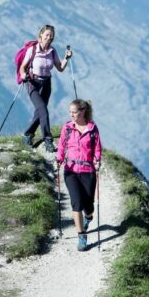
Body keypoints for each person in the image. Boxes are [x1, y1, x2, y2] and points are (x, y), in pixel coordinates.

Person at [56, 98, 102, 252]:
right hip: (71, 170)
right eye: (70, 112)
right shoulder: (67, 128)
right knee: (76, 203)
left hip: (88, 171)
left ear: (82, 112)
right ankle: (81, 236)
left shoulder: (92, 129)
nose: (71, 115)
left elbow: (97, 148)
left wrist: (97, 160)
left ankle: (88, 216)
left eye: (74, 112)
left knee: (88, 205)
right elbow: (61, 146)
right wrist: (59, 160)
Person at [18, 25, 72, 152]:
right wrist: (22, 74)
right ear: (41, 35)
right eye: (47, 34)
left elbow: (60, 68)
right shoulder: (32, 50)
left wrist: (66, 58)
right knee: (43, 110)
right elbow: (23, 66)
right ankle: (48, 140)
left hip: (46, 83)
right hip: (32, 83)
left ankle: (27, 135)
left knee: (39, 112)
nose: (49, 37)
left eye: (51, 35)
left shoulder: (52, 51)